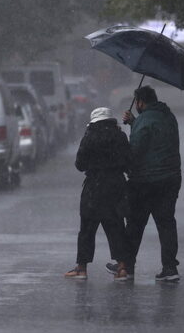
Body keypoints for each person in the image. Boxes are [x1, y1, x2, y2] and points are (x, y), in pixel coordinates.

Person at [107, 85, 182, 282]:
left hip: (145, 183)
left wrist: (124, 137)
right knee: (166, 224)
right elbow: (155, 138)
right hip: (171, 180)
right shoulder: (168, 117)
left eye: (137, 103)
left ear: (140, 102)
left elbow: (135, 151)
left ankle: (127, 266)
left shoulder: (144, 121)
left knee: (135, 224)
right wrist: (134, 123)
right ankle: (170, 267)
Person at [64, 107, 132, 281]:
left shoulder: (89, 137)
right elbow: (128, 163)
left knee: (87, 229)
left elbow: (80, 164)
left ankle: (82, 269)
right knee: (116, 227)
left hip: (94, 187)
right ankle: (123, 268)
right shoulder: (120, 136)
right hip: (116, 187)